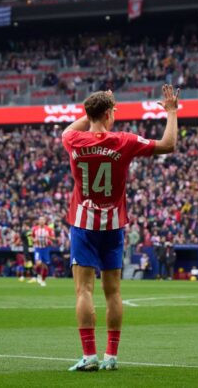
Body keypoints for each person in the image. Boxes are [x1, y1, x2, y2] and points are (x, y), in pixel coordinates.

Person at [62, 85, 179, 371]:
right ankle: (111, 356)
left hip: (83, 223)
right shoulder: (123, 141)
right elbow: (168, 144)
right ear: (106, 113)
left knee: (83, 291)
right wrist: (172, 111)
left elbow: (73, 127)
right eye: (113, 110)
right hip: (113, 225)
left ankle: (89, 356)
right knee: (113, 292)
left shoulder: (72, 139)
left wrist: (95, 111)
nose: (115, 115)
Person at [31, 216, 55, 287]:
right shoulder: (34, 228)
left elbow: (53, 238)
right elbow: (31, 237)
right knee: (38, 263)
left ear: (45, 221)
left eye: (43, 220)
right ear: (38, 221)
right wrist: (34, 240)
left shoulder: (49, 229)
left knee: (45, 266)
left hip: (46, 249)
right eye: (40, 220)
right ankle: (37, 275)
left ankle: (43, 280)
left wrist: (48, 237)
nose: (41, 221)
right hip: (38, 248)